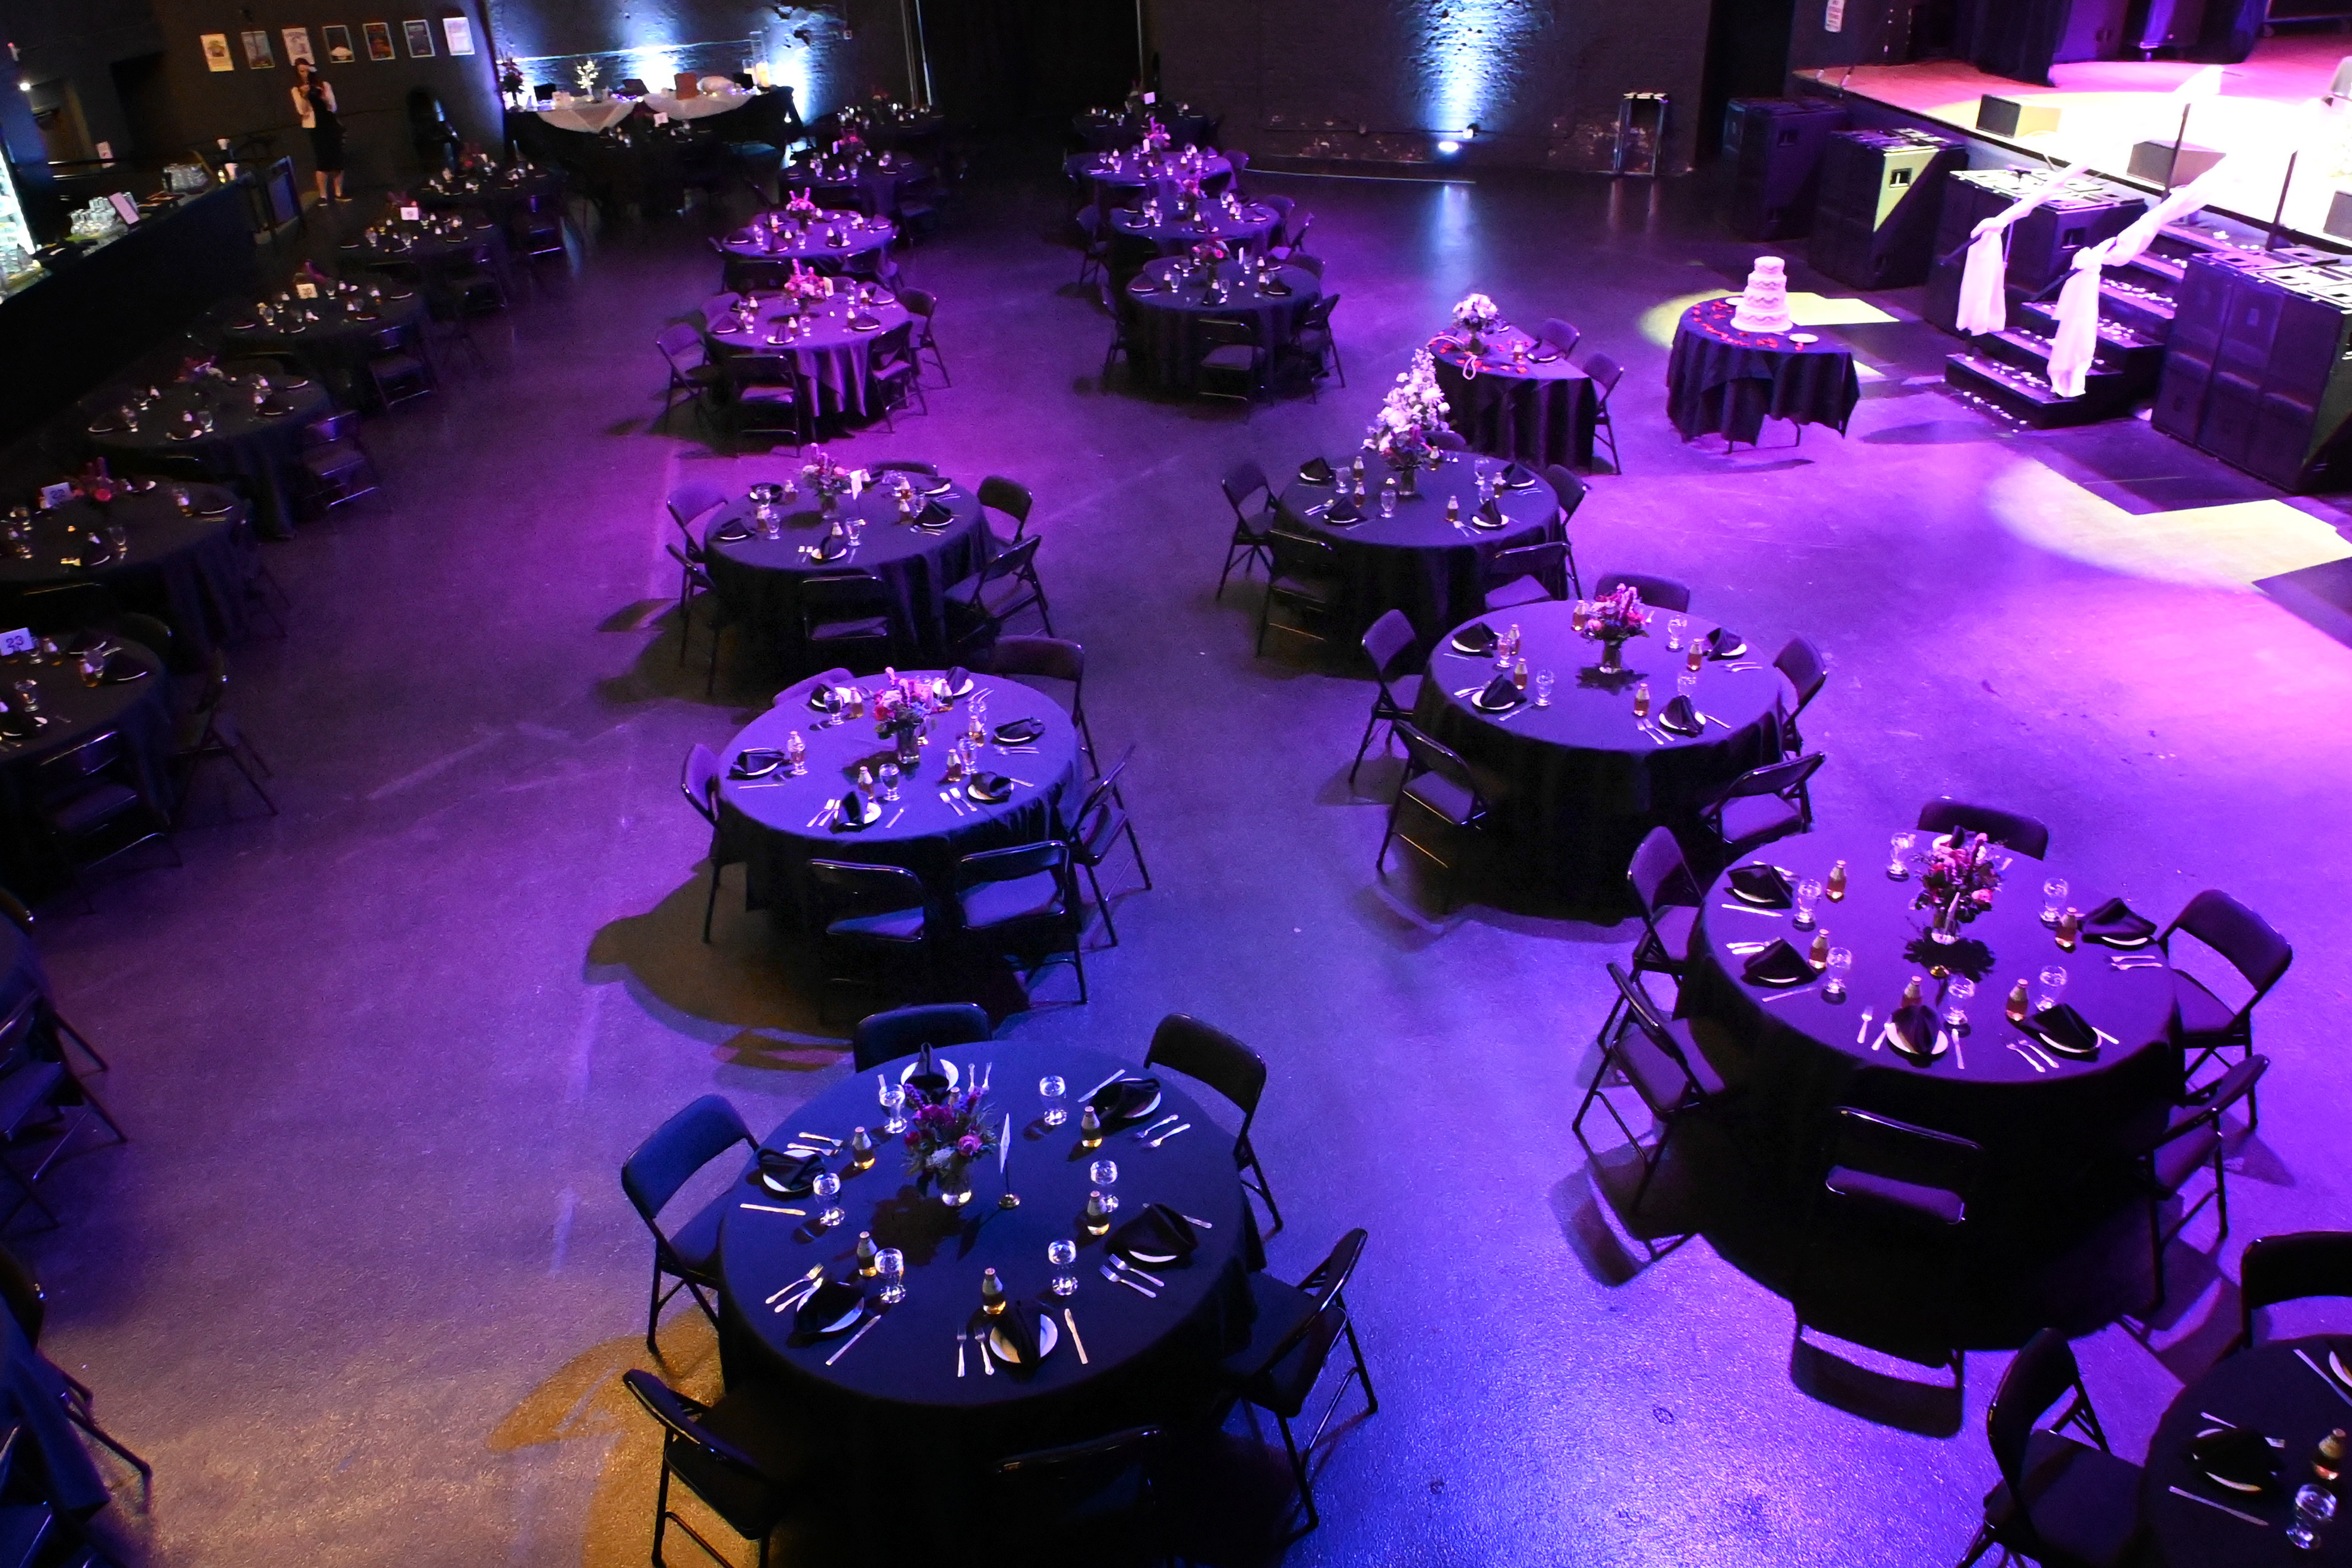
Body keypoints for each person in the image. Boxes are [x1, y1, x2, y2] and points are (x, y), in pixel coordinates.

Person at [291, 60, 348, 203]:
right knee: (322, 160)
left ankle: (339, 192)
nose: (305, 74)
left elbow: (333, 107)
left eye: (307, 71)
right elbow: (302, 111)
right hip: (315, 127)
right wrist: (304, 96)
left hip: (330, 124)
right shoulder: (296, 90)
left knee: (337, 159)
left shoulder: (324, 85)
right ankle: (323, 195)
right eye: (302, 71)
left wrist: (324, 97)